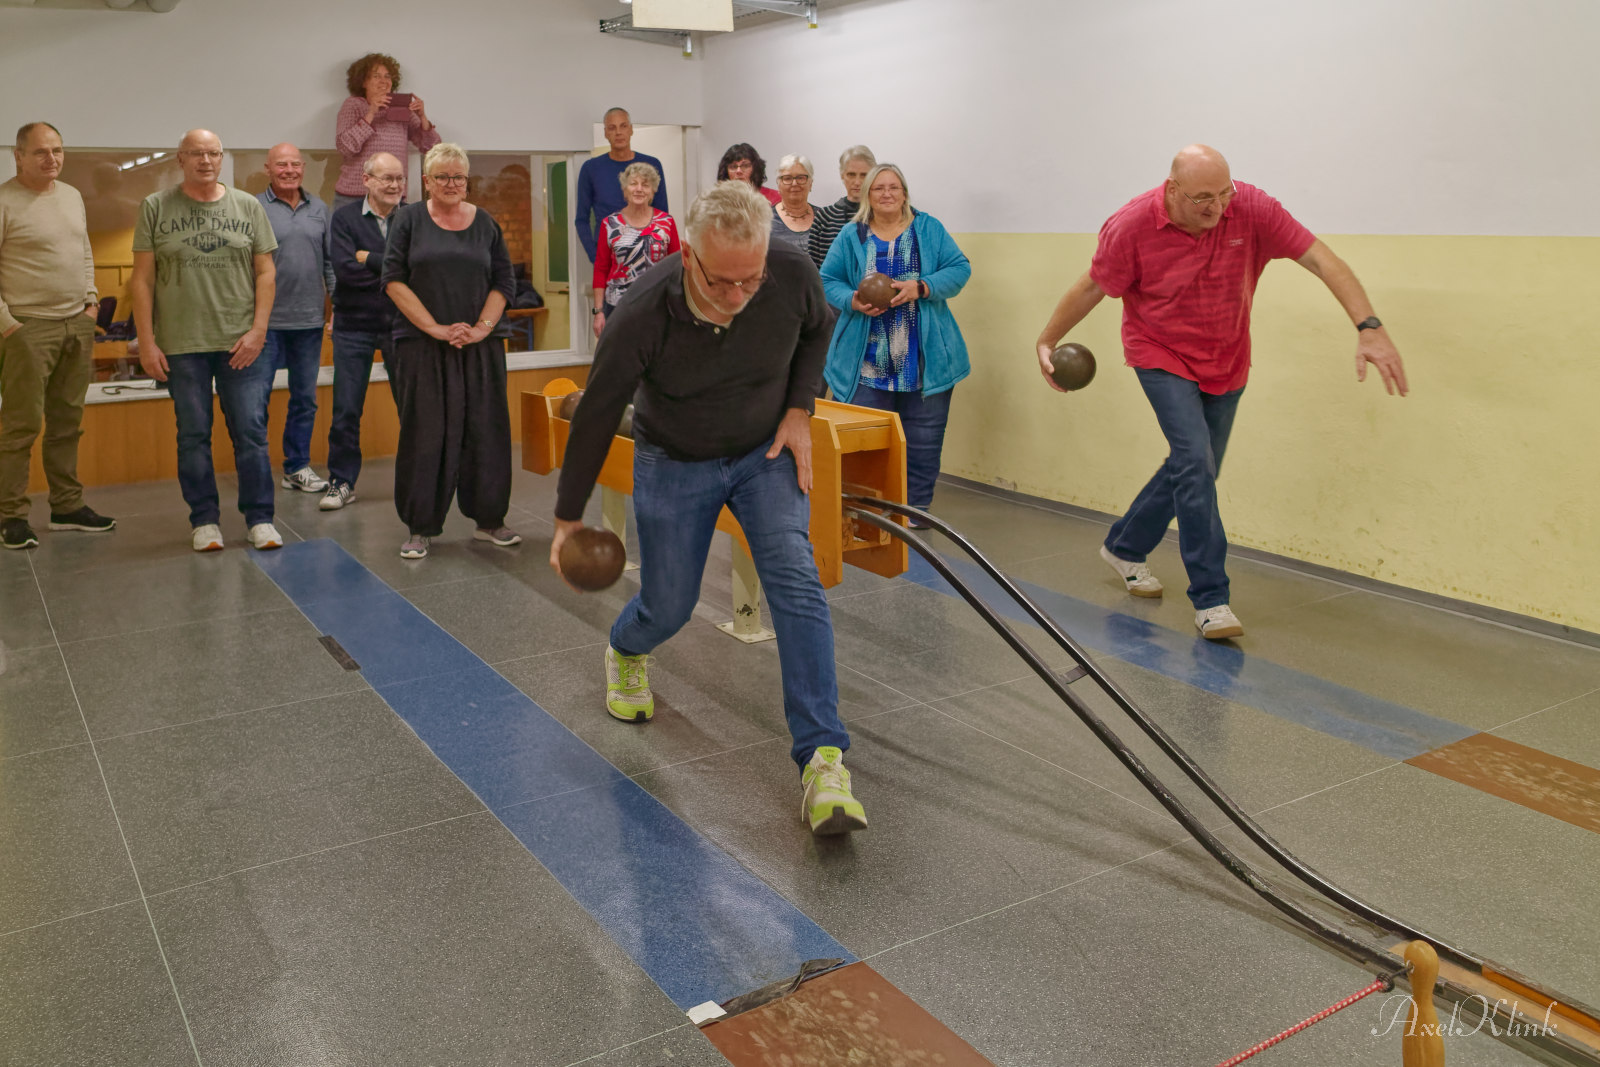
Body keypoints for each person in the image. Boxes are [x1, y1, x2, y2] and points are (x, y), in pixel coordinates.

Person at [549, 181, 865, 837]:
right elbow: (599, 409)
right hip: (675, 456)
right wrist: (566, 517)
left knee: (795, 580)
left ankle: (824, 760)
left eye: (749, 280)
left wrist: (801, 409)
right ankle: (625, 648)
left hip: (763, 452)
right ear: (689, 253)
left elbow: (818, 328)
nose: (737, 296)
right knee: (671, 604)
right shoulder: (645, 310)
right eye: (721, 281)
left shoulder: (789, 269)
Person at [1034, 144, 1409, 641]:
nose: (1217, 206)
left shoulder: (1251, 208)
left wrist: (1369, 325)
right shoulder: (1132, 226)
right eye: (1203, 197)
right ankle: (1211, 598)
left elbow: (1321, 260)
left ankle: (1125, 546)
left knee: (1198, 464)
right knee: (1194, 462)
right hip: (1159, 351)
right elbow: (1092, 286)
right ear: (1172, 191)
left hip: (1226, 356)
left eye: (1224, 192)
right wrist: (1047, 338)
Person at [129, 129, 280, 552]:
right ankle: (204, 522)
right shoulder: (156, 207)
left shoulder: (247, 206)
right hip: (181, 344)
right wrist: (146, 341)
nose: (206, 160)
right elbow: (141, 280)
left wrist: (258, 330)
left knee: (250, 432)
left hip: (241, 342)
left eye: (213, 153)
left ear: (221, 159)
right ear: (181, 159)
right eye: (196, 153)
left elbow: (266, 272)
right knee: (193, 434)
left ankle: (260, 519)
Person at [382, 143, 517, 560]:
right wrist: (436, 329)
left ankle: (489, 520)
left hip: (480, 347)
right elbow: (393, 280)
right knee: (426, 435)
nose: (452, 184)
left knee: (486, 431)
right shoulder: (407, 221)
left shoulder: (487, 223)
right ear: (427, 181)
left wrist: (481, 329)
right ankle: (420, 527)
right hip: (422, 347)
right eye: (443, 176)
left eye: (459, 177)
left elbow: (504, 283)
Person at [820, 163, 971, 521]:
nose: (887, 194)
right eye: (879, 188)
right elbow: (829, 279)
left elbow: (959, 268)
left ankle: (916, 511)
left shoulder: (929, 229)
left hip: (923, 359)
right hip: (867, 361)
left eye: (894, 187)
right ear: (868, 195)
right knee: (864, 440)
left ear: (904, 192)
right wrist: (852, 300)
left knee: (924, 438)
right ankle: (866, 509)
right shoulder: (851, 235)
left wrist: (922, 287)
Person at [0, 121, 116, 550]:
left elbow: (83, 248)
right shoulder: (4, 200)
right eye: (41, 152)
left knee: (68, 424)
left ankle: (67, 506)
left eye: (58, 151)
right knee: (21, 427)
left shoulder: (71, 195)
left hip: (76, 323)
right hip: (27, 328)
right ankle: (11, 515)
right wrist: (9, 325)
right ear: (18, 155)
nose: (52, 159)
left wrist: (90, 303)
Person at [323, 151, 406, 510]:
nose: (394, 185)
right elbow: (345, 271)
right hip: (352, 326)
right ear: (367, 180)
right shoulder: (343, 219)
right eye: (386, 178)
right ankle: (341, 482)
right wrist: (394, 272)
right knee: (346, 409)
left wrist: (369, 259)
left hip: (402, 326)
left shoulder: (414, 218)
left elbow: (418, 268)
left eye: (399, 179)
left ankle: (420, 481)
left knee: (413, 408)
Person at [257, 142, 335, 496]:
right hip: (265, 324)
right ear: (268, 169)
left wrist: (336, 309)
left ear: (303, 168)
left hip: (309, 322)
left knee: (305, 399)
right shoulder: (254, 208)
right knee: (255, 401)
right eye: (281, 165)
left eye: (294, 165)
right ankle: (255, 471)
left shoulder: (320, 208)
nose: (289, 170)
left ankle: (296, 467)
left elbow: (330, 264)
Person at [333, 52, 439, 210]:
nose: (383, 81)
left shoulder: (402, 108)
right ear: (363, 81)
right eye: (376, 76)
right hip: (355, 196)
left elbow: (431, 149)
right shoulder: (353, 105)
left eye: (388, 76)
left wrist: (423, 117)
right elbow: (346, 148)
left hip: (392, 195)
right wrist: (371, 113)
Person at [592, 162, 678, 339]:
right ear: (625, 189)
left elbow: (677, 267)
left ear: (653, 191)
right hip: (618, 306)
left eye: (645, 185)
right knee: (620, 359)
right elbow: (600, 269)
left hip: (657, 304)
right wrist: (598, 312)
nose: (639, 189)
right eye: (633, 183)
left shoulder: (667, 223)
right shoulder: (609, 224)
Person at [574, 108, 668, 266]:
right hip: (609, 255)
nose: (618, 132)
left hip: (647, 254)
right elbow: (581, 219)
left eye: (623, 126)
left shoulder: (652, 164)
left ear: (631, 130)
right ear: (605, 133)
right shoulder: (591, 168)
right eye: (612, 128)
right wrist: (595, 256)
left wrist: (658, 253)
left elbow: (662, 215)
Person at [808, 145, 874, 269]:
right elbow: (813, 268)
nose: (857, 182)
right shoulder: (824, 217)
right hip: (829, 287)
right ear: (842, 175)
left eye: (864, 175)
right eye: (851, 174)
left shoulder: (883, 215)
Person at [769, 154, 817, 256]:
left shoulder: (824, 218)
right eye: (787, 178)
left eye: (801, 178)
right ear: (778, 184)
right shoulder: (764, 219)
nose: (794, 183)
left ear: (811, 183)